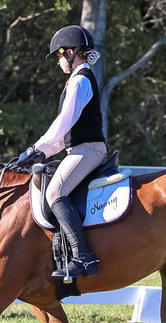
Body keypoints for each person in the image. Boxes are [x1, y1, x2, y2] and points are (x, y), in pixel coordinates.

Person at [17, 25, 107, 279]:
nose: (58, 61)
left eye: (59, 55)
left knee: (55, 192)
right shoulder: (78, 79)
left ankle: (83, 258)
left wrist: (35, 148)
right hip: (78, 148)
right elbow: (64, 136)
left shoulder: (80, 80)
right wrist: (40, 154)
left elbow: (62, 124)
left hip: (88, 149)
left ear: (70, 52)